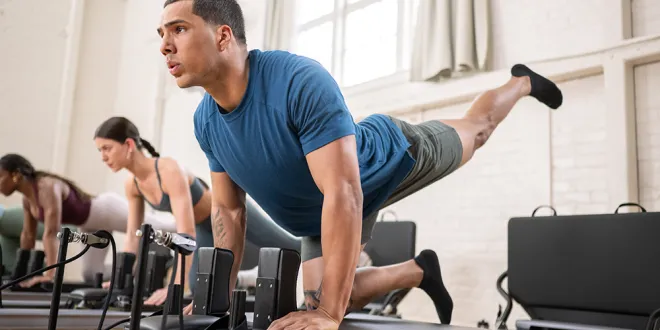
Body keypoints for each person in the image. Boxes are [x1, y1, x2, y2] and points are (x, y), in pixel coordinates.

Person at [158, 0, 563, 328]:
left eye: (178, 29)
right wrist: (217, 307)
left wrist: (328, 314)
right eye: (161, 34)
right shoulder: (206, 122)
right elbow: (228, 210)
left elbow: (344, 191)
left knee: (477, 131)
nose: (164, 45)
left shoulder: (297, 80)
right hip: (321, 215)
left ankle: (521, 82)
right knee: (325, 296)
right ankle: (419, 271)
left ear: (223, 35)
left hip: (384, 160)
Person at [0, 154, 176, 288]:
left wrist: (50, 274)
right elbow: (28, 235)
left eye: (1, 176)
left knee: (163, 226)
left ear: (16, 175)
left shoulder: (46, 186)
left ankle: (194, 222)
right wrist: (20, 274)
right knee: (91, 274)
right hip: (89, 226)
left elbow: (51, 233)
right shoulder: (27, 199)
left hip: (106, 210)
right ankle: (149, 268)